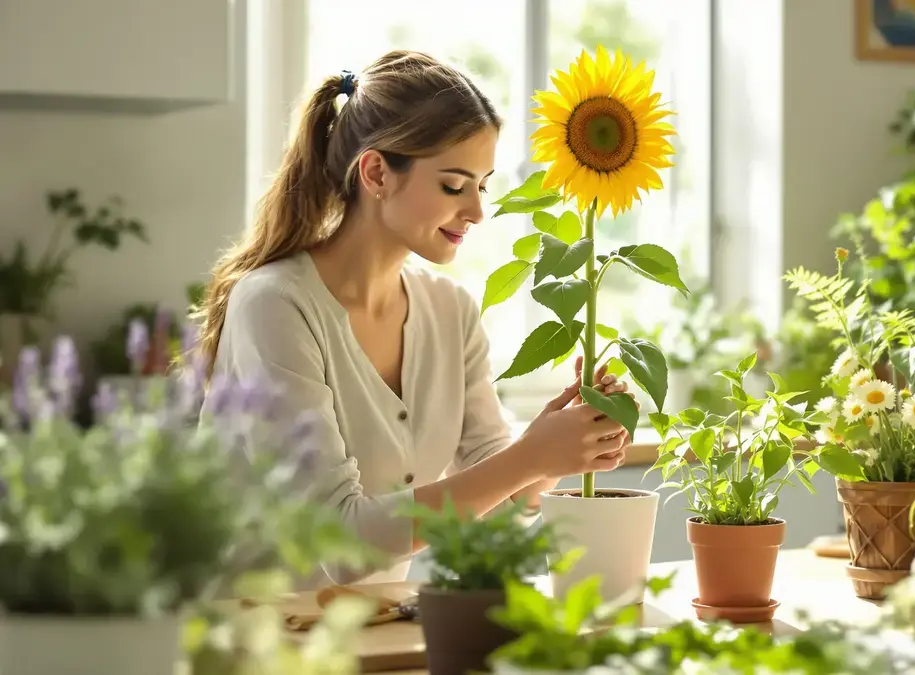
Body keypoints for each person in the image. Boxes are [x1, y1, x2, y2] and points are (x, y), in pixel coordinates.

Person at [194, 50, 633, 586]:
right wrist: (527, 458)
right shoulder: (275, 305)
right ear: (377, 172)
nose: (476, 211)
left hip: (371, 634)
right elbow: (340, 541)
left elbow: (501, 501)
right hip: (256, 644)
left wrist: (562, 445)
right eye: (454, 185)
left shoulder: (452, 312)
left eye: (482, 185)